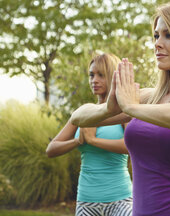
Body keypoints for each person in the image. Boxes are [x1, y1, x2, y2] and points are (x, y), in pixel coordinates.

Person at [70, 0, 170, 216]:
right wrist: (109, 109)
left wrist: (130, 107)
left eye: (168, 35)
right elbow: (79, 118)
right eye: (156, 35)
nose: (157, 43)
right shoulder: (146, 98)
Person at [46, 53, 133, 216]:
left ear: (113, 76)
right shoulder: (84, 113)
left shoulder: (124, 111)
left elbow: (131, 146)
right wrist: (78, 141)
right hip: (86, 200)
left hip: (121, 199)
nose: (94, 80)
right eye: (91, 75)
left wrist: (93, 140)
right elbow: (51, 149)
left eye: (101, 75)